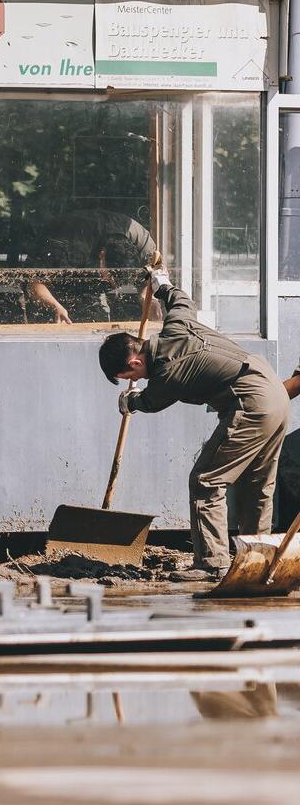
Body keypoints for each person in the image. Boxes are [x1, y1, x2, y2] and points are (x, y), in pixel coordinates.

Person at [98, 269, 290, 580]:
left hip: (250, 403)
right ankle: (258, 563)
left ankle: (211, 563)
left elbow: (152, 401)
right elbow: (181, 301)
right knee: (256, 486)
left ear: (134, 362)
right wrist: (163, 286)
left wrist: (128, 401)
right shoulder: (177, 324)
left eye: (129, 377)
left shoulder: (165, 371)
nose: (133, 381)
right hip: (274, 393)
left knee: (205, 480)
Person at [26, 209, 164, 324]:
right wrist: (55, 306)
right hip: (63, 259)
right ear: (102, 256)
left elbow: (157, 271)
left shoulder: (143, 244)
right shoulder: (67, 247)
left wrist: (148, 298)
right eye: (110, 277)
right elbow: (34, 283)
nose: (113, 285)